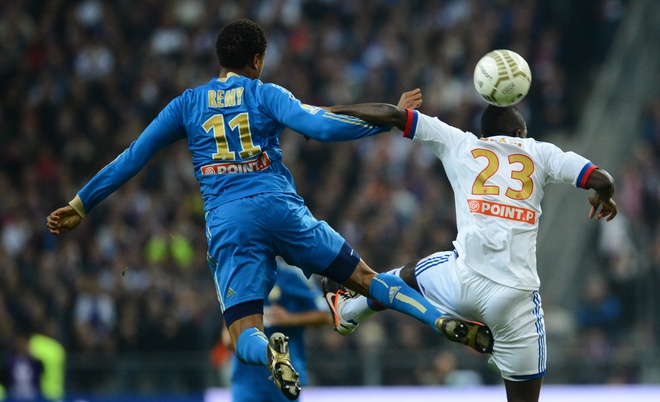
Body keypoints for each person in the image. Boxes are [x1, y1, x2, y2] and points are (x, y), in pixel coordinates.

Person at [45, 19, 490, 400]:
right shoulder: (264, 93)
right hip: (281, 208)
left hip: (229, 222)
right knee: (366, 280)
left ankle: (270, 349)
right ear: (257, 60)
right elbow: (321, 126)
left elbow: (133, 157)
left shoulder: (186, 104)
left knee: (243, 334)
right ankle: (439, 317)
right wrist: (389, 120)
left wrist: (81, 203)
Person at [323, 98, 617, 402]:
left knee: (411, 273)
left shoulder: (459, 143)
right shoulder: (539, 151)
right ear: (520, 133)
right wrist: (603, 196)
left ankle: (350, 310)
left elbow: (391, 114)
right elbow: (602, 179)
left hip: (462, 281)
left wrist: (327, 113)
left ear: (486, 135)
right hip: (515, 300)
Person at [222, 257, 332, 401]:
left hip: (285, 379)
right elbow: (226, 336)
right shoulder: (239, 278)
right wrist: (237, 338)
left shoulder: (292, 276)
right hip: (247, 380)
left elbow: (327, 315)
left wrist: (291, 319)